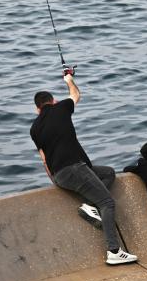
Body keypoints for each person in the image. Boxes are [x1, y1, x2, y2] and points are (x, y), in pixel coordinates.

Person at [30, 73, 138, 265]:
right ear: (52, 101)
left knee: (108, 173)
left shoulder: (34, 128)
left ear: (37, 109)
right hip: (75, 168)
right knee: (108, 203)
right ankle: (113, 251)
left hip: (60, 175)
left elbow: (44, 159)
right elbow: (76, 95)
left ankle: (89, 205)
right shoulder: (61, 107)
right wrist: (69, 80)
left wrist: (54, 180)